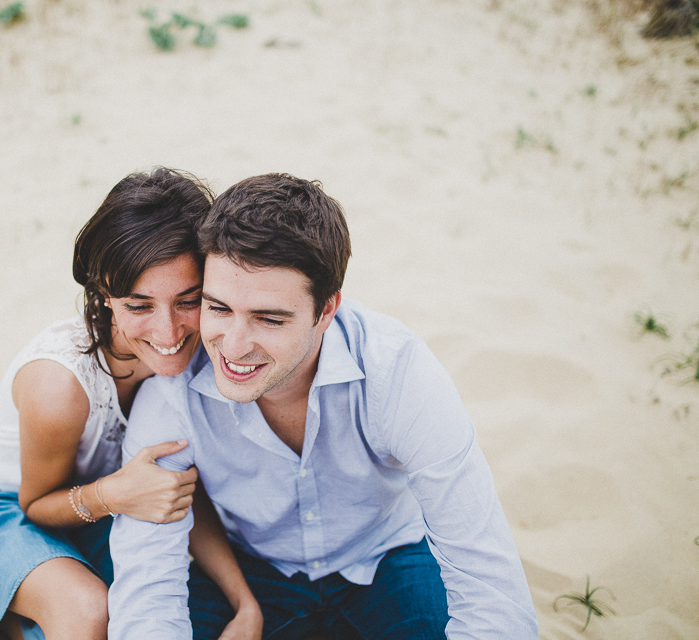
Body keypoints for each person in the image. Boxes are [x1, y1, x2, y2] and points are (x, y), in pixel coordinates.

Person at [107, 173, 540, 640]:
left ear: (327, 310)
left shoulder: (395, 370)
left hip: (385, 558)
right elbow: (147, 589)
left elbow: (489, 585)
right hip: (254, 568)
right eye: (218, 308)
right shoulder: (171, 392)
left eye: (269, 318)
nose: (232, 346)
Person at [0, 167, 245, 640]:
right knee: (88, 611)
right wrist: (113, 495)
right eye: (138, 306)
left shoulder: (205, 354)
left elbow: (178, 491)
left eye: (188, 300)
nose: (168, 331)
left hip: (98, 504)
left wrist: (244, 601)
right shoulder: (60, 387)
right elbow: (35, 504)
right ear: (104, 295)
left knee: (199, 610)